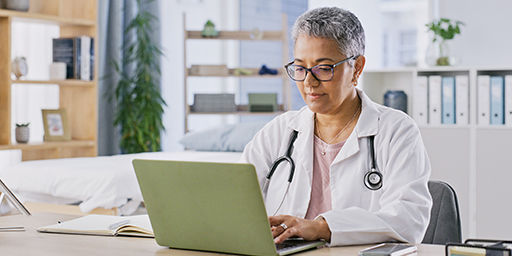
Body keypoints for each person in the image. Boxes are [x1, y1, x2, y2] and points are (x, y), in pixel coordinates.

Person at [240, 7, 432, 246]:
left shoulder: (396, 131)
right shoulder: (280, 131)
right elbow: (235, 201)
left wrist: (321, 227)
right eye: (300, 68)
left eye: (324, 68)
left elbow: (409, 219)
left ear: (357, 68)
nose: (309, 82)